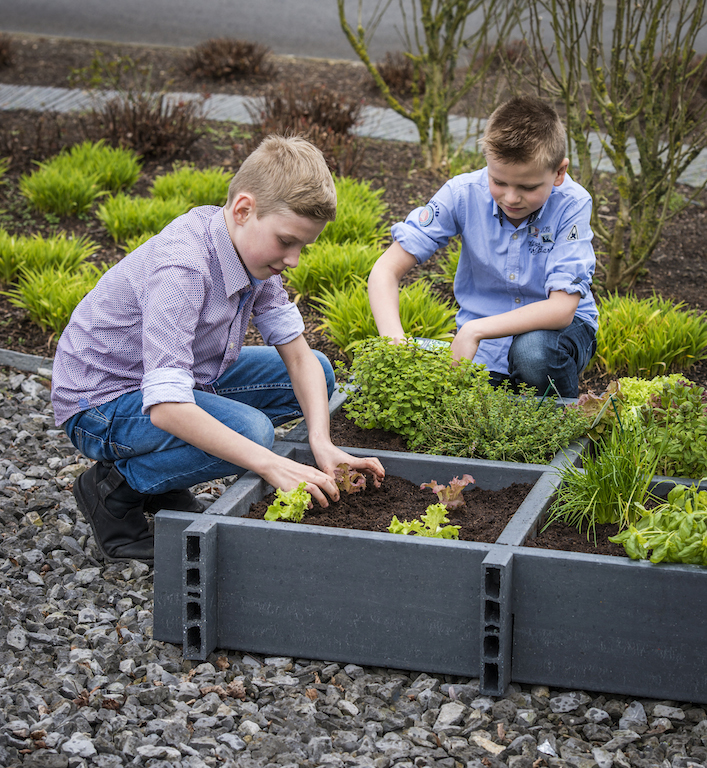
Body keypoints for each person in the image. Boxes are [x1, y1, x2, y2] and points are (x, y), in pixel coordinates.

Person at [51, 134, 385, 565]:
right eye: (287, 241)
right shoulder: (183, 268)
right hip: (101, 404)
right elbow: (167, 407)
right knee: (253, 434)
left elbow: (299, 356)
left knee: (318, 373)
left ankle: (162, 478)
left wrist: (322, 442)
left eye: (304, 245)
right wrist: (270, 465)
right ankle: (114, 490)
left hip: (178, 379)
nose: (295, 259)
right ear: (244, 209)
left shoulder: (250, 252)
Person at [368, 95, 599, 398]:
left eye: (528, 187)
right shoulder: (462, 194)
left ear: (558, 172)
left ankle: (564, 425)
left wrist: (474, 330)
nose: (511, 198)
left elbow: (561, 310)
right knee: (429, 385)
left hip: (556, 334)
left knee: (532, 355)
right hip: (484, 347)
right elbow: (385, 270)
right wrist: (394, 344)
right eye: (499, 181)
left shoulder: (573, 204)